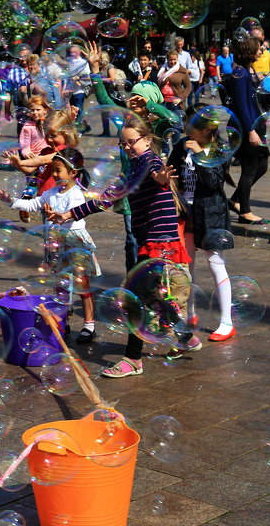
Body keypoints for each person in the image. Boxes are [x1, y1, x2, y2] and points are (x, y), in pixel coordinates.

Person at [59, 121, 195, 378]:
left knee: (135, 300)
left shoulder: (150, 162)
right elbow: (107, 199)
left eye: (132, 141)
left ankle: (133, 359)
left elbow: (157, 174)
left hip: (159, 242)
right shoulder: (133, 168)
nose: (129, 147)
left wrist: (161, 179)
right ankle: (183, 334)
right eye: (124, 143)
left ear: (146, 139)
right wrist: (69, 213)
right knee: (151, 296)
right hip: (152, 240)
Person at [2, 148, 100, 341]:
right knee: (61, 284)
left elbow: (74, 213)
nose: (54, 175)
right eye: (53, 170)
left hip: (75, 241)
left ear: (73, 173)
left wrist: (58, 216)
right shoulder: (51, 192)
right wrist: (11, 201)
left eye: (58, 171)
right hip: (57, 243)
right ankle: (63, 320)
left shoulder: (77, 193)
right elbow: (32, 205)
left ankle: (89, 325)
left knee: (82, 283)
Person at [167, 110, 236, 341]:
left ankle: (227, 321)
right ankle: (190, 314)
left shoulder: (218, 150)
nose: (187, 131)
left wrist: (200, 156)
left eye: (193, 127)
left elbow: (214, 183)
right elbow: (172, 170)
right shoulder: (181, 145)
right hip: (185, 213)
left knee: (216, 264)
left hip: (211, 213)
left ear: (208, 129)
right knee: (187, 267)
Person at [221, 38, 270, 225]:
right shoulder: (239, 73)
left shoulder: (246, 72)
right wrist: (251, 130)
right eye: (259, 49)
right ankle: (245, 212)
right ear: (249, 51)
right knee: (250, 168)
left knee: (262, 165)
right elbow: (241, 104)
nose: (261, 52)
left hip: (253, 125)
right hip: (245, 127)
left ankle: (235, 200)